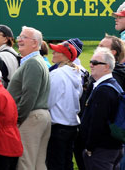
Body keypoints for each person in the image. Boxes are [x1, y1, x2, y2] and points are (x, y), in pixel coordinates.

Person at [7, 26, 51, 170]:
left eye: (24, 37)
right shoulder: (35, 61)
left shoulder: (33, 63)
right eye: (19, 36)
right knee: (37, 163)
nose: (19, 40)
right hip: (37, 116)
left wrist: (18, 118)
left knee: (25, 163)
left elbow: (29, 95)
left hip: (30, 117)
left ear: (35, 43)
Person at [79, 47, 123, 169]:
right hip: (111, 147)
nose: (91, 65)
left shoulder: (104, 90)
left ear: (107, 66)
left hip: (101, 150)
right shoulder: (111, 85)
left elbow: (97, 122)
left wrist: (89, 147)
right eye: (91, 62)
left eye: (96, 63)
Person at [46, 41, 83, 170]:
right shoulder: (76, 73)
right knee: (67, 162)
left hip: (58, 126)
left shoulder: (57, 74)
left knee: (56, 164)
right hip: (72, 125)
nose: (53, 53)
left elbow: (49, 101)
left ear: (65, 56)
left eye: (57, 51)